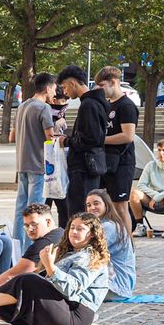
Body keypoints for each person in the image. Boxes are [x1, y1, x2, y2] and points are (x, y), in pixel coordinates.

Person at [0, 211, 110, 325]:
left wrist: (50, 267)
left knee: (28, 280)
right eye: (72, 227)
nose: (73, 231)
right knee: (24, 291)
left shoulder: (90, 257)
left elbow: (71, 289)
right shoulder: (68, 252)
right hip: (60, 309)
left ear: (91, 234)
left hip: (74, 315)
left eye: (80, 229)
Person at [12, 72, 57, 252]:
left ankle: (17, 249)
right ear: (47, 88)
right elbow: (50, 137)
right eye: (54, 89)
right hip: (38, 164)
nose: (55, 93)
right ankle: (32, 251)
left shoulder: (23, 106)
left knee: (20, 209)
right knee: (35, 211)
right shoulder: (43, 108)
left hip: (22, 163)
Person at [58, 68, 109, 225]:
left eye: (65, 87)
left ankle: (82, 247)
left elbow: (90, 139)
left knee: (80, 214)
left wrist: (66, 141)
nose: (65, 92)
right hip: (89, 165)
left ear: (73, 83)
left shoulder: (88, 105)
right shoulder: (94, 103)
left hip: (83, 168)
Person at [95, 67, 139, 240]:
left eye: (102, 85)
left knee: (120, 206)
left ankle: (128, 245)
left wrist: (101, 139)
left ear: (113, 82)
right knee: (107, 205)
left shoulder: (126, 105)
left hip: (122, 162)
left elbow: (128, 135)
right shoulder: (107, 104)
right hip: (107, 161)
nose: (100, 89)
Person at [82, 189, 137, 298]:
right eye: (89, 205)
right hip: (114, 283)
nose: (92, 208)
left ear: (106, 205)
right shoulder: (100, 224)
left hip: (117, 286)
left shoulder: (109, 226)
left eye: (96, 203)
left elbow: (85, 253)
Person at [130, 139, 164, 238]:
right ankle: (140, 225)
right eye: (159, 150)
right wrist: (155, 196)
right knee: (134, 193)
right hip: (152, 198)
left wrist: (157, 197)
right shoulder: (150, 165)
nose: (161, 153)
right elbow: (141, 185)